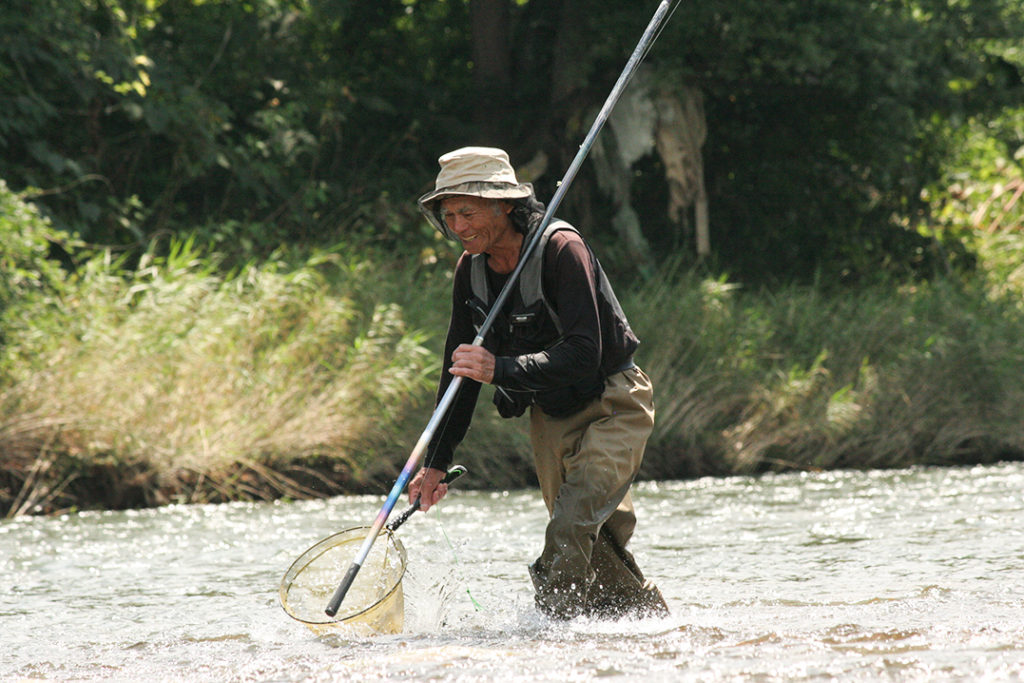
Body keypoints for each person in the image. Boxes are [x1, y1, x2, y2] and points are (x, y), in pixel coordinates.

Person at [408, 146, 668, 620]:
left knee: (570, 525)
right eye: (449, 215)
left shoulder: (561, 249)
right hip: (551, 414)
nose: (458, 227)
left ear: (504, 204)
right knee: (596, 539)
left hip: (614, 400)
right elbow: (461, 372)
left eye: (467, 212)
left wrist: (500, 370)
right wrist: (437, 463)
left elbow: (585, 354)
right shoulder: (471, 271)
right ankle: (646, 631)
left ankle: (549, 631)